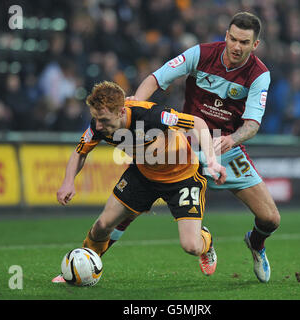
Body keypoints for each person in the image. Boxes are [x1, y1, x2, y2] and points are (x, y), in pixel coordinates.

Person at [107, 12, 281, 283]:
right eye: (233, 39)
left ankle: (256, 244)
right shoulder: (200, 54)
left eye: (244, 42)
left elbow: (252, 124)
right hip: (184, 145)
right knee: (130, 206)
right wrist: (134, 107)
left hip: (226, 147)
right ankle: (90, 258)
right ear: (225, 36)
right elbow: (156, 78)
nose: (236, 46)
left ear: (255, 45)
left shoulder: (259, 74)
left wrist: (232, 139)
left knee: (270, 219)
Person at [52, 81, 226, 283]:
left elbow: (198, 124)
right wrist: (68, 182)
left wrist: (212, 160)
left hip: (182, 177)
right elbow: (80, 152)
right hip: (143, 175)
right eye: (96, 119)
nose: (98, 126)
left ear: (121, 112)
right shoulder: (99, 124)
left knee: (191, 246)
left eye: (104, 120)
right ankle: (80, 269)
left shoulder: (151, 115)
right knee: (102, 225)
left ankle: (206, 240)